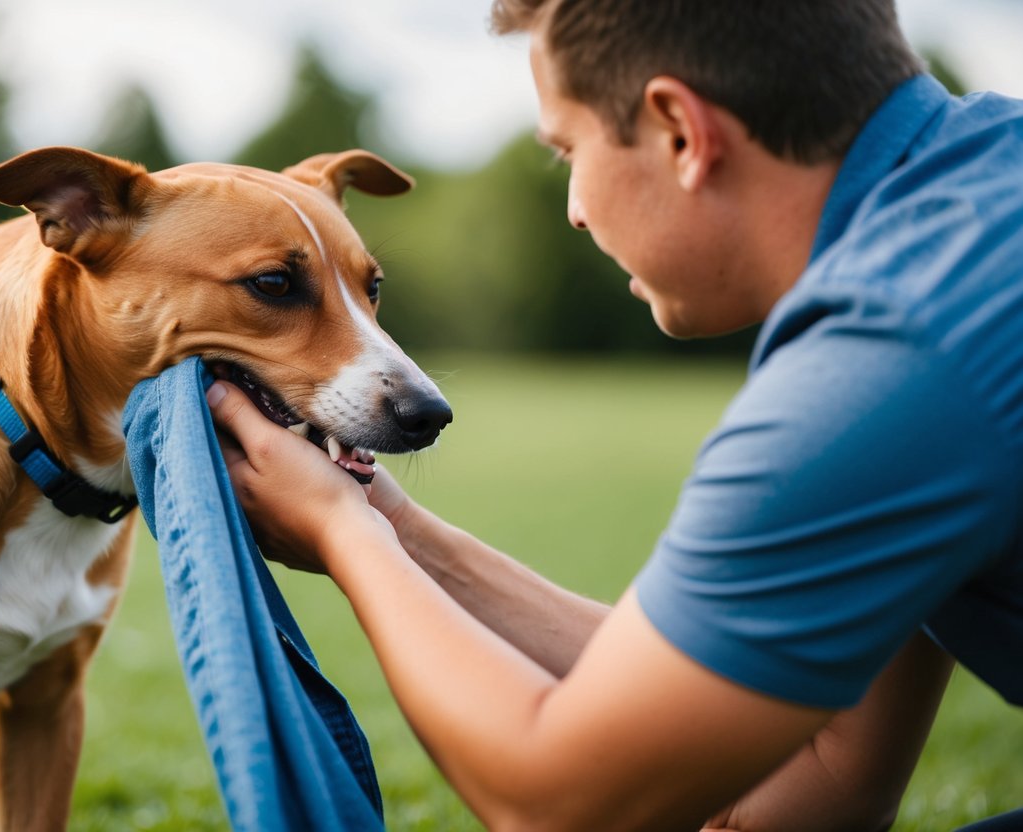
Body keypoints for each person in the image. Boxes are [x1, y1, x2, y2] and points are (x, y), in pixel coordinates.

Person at [206, 1, 1023, 829]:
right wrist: (392, 523)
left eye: (569, 149)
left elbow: (558, 802)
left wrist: (344, 537)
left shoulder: (888, 360)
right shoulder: (971, 215)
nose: (575, 209)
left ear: (680, 131)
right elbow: (814, 784)